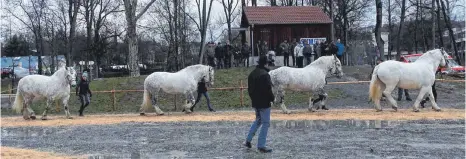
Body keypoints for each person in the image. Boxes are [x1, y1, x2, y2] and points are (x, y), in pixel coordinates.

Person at [244, 55, 274, 153]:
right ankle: (261, 145)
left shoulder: (252, 74)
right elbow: (268, 89)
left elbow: (249, 90)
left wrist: (253, 99)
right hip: (264, 102)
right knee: (265, 123)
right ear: (265, 63)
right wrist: (272, 99)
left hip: (255, 102)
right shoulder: (265, 75)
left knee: (258, 120)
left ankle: (248, 140)